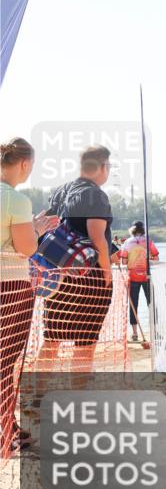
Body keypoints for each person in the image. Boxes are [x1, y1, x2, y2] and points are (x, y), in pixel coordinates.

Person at [37, 145, 117, 376]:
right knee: (85, 343)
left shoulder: (59, 191)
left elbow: (47, 228)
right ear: (103, 167)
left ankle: (35, 398)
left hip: (59, 276)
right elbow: (97, 238)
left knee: (51, 339)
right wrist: (107, 273)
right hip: (89, 278)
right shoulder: (96, 194)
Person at [1, 138, 57, 452]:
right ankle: (7, 430)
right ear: (24, 164)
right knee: (5, 364)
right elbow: (26, 249)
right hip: (9, 287)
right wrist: (35, 230)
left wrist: (31, 225)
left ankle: (10, 427)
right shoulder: (15, 200)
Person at [119, 221, 159, 342]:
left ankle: (135, 333)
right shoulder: (148, 241)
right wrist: (147, 257)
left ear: (132, 230)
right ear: (143, 229)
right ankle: (155, 331)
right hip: (146, 276)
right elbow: (156, 258)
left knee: (133, 305)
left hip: (133, 277)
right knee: (151, 303)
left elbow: (124, 262)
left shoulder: (127, 242)